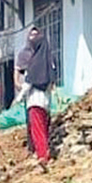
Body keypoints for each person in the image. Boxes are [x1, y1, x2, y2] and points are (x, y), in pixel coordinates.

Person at [16, 25, 55, 168]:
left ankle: (42, 155)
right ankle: (44, 152)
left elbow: (28, 83)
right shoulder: (48, 62)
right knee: (43, 129)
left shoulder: (34, 63)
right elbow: (51, 83)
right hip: (46, 102)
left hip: (34, 102)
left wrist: (18, 98)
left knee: (37, 130)